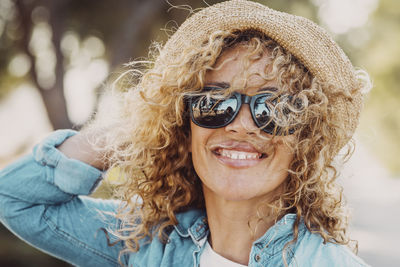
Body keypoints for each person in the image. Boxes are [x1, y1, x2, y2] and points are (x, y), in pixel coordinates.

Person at [0, 0, 371, 266]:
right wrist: (148, 122)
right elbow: (15, 198)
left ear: (305, 139)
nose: (241, 124)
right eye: (214, 103)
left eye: (273, 109)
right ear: (183, 123)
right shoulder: (144, 245)